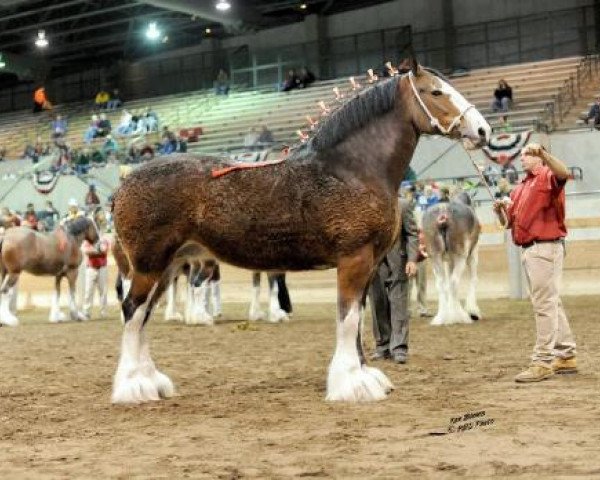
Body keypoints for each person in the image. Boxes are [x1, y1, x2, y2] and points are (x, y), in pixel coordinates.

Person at [493, 143, 576, 383]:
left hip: (545, 247)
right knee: (550, 302)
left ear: (539, 157)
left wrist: (544, 153)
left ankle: (542, 361)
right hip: (531, 249)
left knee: (544, 305)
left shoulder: (549, 176)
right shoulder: (521, 187)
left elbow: (564, 173)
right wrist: (500, 211)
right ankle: (566, 355)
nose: (522, 159)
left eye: (526, 155)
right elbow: (510, 222)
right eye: (521, 156)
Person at [368, 198, 419, 364]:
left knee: (399, 305)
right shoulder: (367, 206)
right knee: (378, 305)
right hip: (374, 264)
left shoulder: (403, 205)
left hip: (399, 263)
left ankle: (399, 349)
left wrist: (412, 260)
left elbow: (412, 234)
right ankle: (382, 347)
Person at [82, 210, 110, 320]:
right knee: (88, 291)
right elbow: (86, 250)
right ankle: (86, 312)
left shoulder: (104, 235)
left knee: (103, 291)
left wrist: (96, 250)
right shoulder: (89, 236)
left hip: (102, 266)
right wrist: (97, 250)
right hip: (91, 267)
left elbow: (105, 249)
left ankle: (103, 312)